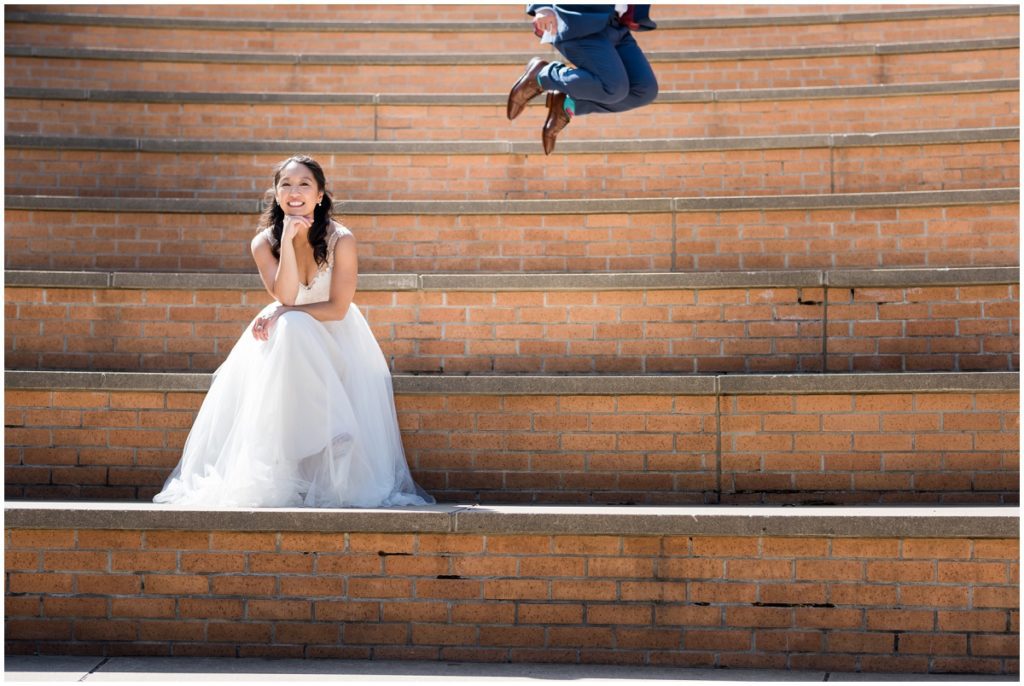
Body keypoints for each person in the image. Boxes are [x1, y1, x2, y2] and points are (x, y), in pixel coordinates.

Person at [154, 155, 433, 508]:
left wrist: (286, 311)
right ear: (275, 193)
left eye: (304, 184)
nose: (294, 191)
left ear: (320, 195)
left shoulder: (341, 239)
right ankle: (328, 435)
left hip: (335, 339)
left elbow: (337, 308)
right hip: (289, 336)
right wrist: (286, 241)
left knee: (290, 324)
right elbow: (285, 294)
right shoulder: (262, 243)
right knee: (290, 328)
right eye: (285, 184)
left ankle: (327, 437)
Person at [507, 4, 659, 154]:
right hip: (578, 19)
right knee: (612, 88)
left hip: (616, 23)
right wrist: (543, 7)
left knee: (644, 90)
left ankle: (568, 105)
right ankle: (542, 75)